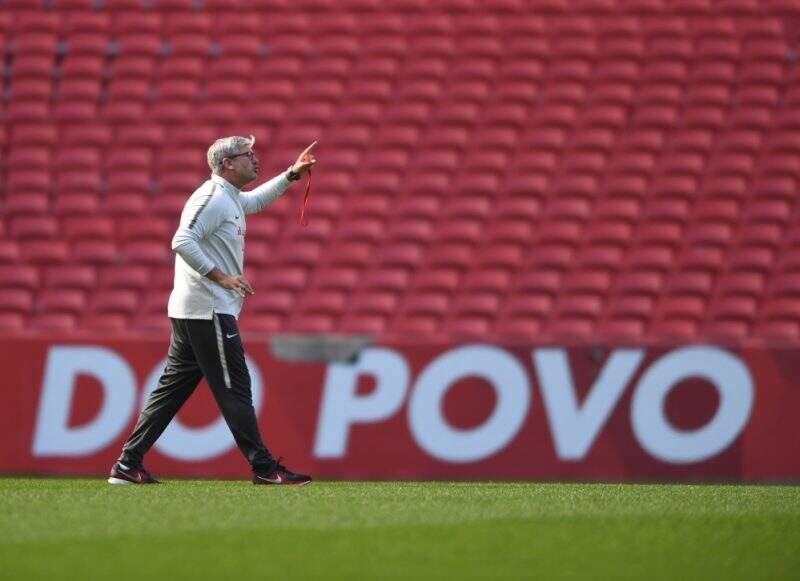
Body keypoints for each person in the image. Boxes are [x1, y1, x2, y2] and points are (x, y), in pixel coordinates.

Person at [107, 135, 317, 486]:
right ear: (227, 164)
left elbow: (253, 202)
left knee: (172, 390)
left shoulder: (229, 197)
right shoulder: (212, 197)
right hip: (208, 309)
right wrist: (221, 276)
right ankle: (265, 468)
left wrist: (291, 175)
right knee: (235, 388)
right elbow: (181, 240)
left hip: (197, 309)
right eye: (246, 154)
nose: (254, 158)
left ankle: (128, 464)